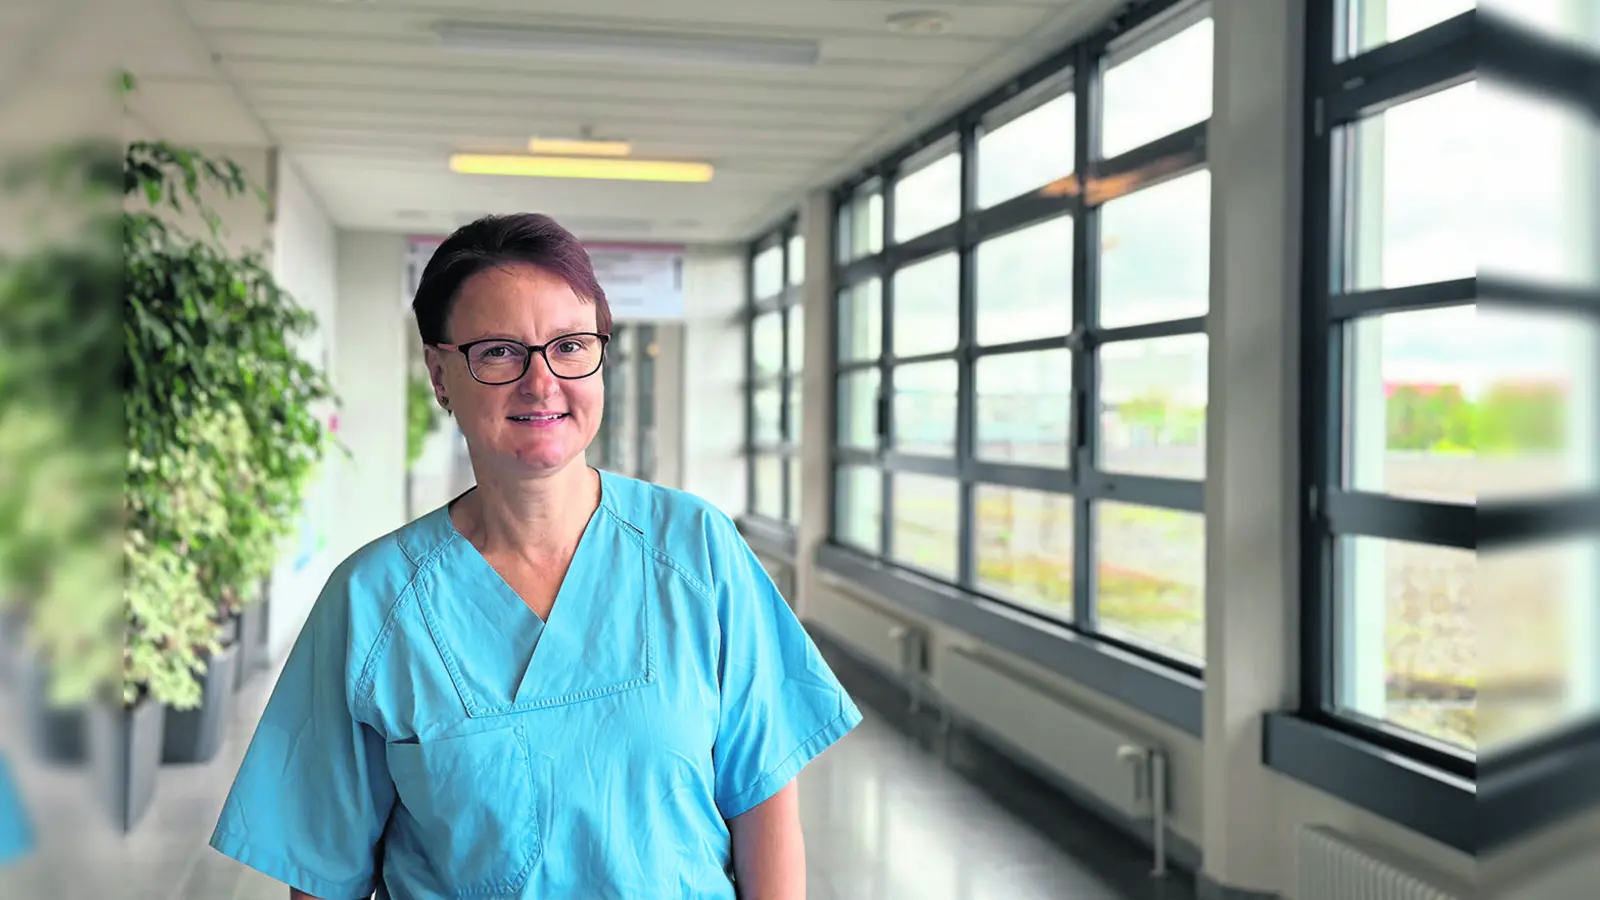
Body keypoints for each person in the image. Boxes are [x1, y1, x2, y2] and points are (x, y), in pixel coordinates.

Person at [208, 213, 862, 899]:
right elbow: (323, 870)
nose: (542, 381)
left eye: (571, 346)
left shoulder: (697, 551)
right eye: (498, 352)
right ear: (440, 373)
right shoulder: (373, 601)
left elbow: (764, 806)